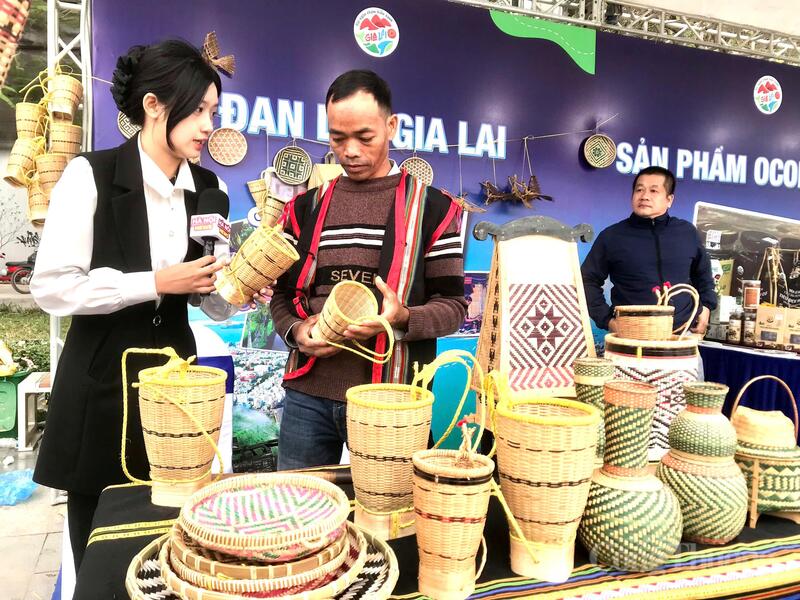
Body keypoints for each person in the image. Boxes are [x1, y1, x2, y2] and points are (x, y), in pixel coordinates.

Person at [30, 39, 264, 571]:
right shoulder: (90, 175)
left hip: (179, 389)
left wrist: (235, 289)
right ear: (153, 105)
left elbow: (211, 301)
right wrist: (156, 281)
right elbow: (52, 288)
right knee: (101, 547)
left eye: (213, 112)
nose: (208, 126)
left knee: (171, 543)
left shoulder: (209, 189)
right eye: (198, 111)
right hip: (100, 386)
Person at [270, 70, 467, 470]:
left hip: (393, 399)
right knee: (298, 503)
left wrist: (402, 317)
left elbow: (453, 307)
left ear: (391, 126)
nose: (350, 151)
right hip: (307, 394)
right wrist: (297, 331)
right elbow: (283, 296)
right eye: (337, 138)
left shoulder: (435, 209)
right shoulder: (303, 208)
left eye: (364, 137)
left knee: (393, 507)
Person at [581, 165, 717, 335]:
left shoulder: (686, 232)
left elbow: (703, 275)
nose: (644, 196)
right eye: (639, 190)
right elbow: (587, 280)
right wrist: (607, 320)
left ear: (669, 200)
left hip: (683, 334)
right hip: (631, 335)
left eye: (653, 191)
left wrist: (706, 308)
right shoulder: (612, 236)